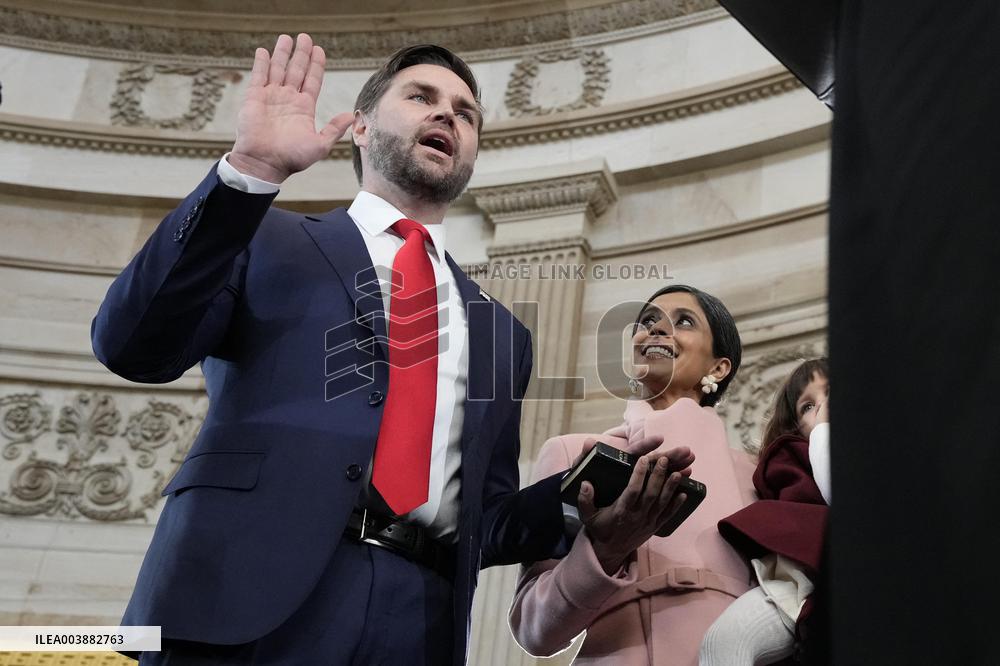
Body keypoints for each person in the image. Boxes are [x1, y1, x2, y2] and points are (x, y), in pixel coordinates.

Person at [91, 35, 693, 665]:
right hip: (239, 599)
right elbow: (132, 346)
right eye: (422, 97)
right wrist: (250, 173)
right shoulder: (265, 237)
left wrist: (594, 497)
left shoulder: (502, 333)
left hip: (419, 622)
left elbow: (485, 520)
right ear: (360, 126)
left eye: (465, 113)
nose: (447, 116)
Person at [508, 284, 757, 665]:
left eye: (683, 322)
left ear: (718, 367)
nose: (655, 330)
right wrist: (604, 552)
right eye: (647, 322)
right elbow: (533, 630)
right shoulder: (572, 454)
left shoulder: (755, 474)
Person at [699, 358, 830, 665]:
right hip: (795, 585)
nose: (824, 407)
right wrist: (824, 433)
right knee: (724, 642)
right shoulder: (788, 461)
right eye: (808, 406)